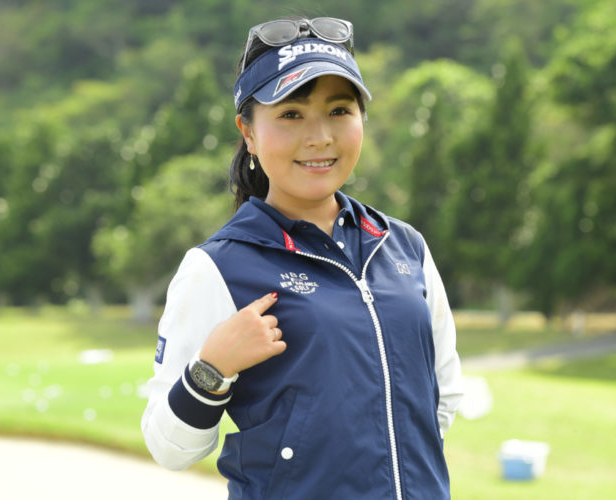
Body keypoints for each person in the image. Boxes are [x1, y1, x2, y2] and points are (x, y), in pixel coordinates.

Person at [141, 16, 464, 499]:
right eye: (291, 114)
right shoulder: (218, 267)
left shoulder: (404, 246)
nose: (320, 137)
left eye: (339, 110)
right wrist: (212, 367)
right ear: (248, 133)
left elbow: (441, 400)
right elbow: (169, 447)